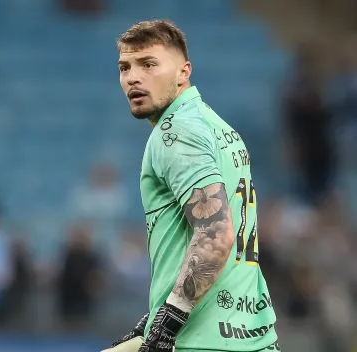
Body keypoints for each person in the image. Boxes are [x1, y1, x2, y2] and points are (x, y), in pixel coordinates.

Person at [109, 20, 279, 352]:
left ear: (183, 72)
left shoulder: (175, 133)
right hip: (250, 334)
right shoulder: (216, 127)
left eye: (149, 64)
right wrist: (156, 313)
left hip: (201, 341)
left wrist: (168, 320)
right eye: (124, 67)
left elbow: (216, 234)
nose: (133, 77)